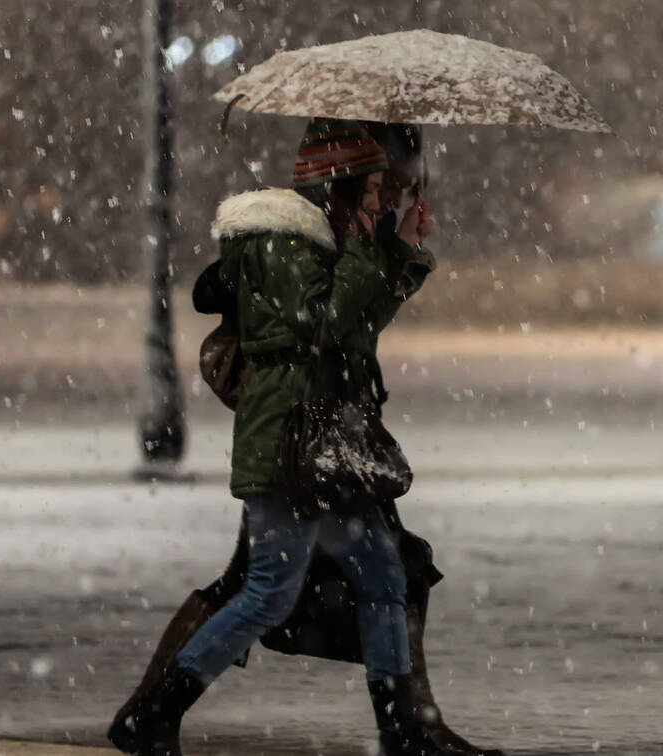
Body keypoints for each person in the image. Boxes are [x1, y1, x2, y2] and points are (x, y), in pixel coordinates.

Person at [108, 121, 470, 756]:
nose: (386, 200)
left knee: (384, 574)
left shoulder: (333, 238)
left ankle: (401, 728)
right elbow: (322, 323)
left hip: (330, 444)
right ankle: (155, 712)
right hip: (289, 443)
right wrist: (365, 250)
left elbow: (359, 327)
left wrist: (405, 254)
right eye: (379, 188)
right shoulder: (280, 238)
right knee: (268, 590)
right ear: (344, 183)